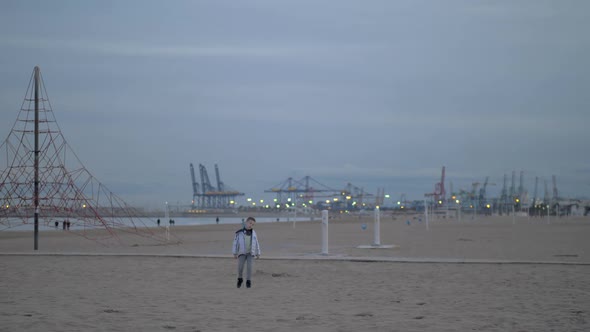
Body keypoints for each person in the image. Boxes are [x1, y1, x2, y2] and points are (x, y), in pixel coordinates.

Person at [232, 216, 261, 288]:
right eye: (250, 223)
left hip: (250, 253)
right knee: (240, 267)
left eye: (253, 224)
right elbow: (235, 243)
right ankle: (240, 278)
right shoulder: (239, 233)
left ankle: (248, 281)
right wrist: (234, 252)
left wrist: (258, 253)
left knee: (249, 267)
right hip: (242, 252)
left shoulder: (254, 233)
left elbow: (256, 243)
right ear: (246, 222)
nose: (251, 225)